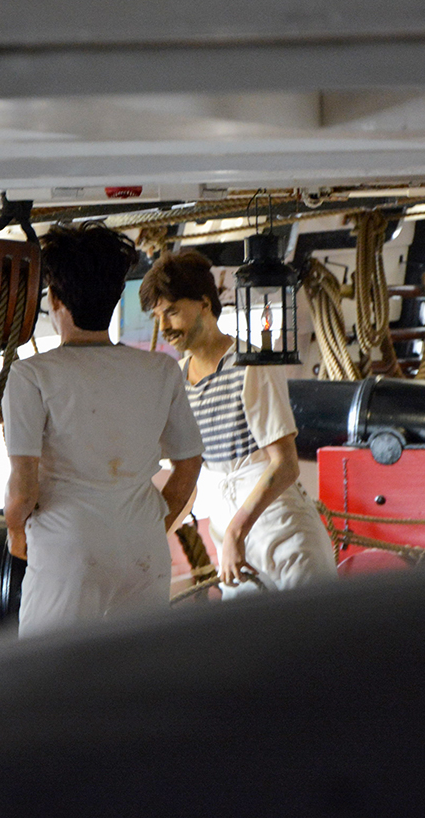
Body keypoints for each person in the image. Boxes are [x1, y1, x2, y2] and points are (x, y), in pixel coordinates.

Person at [2, 223, 204, 636]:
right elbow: (189, 465)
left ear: (54, 298)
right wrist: (153, 523)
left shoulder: (30, 375)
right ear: (115, 297)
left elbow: (22, 490)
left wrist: (15, 532)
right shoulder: (161, 369)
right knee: (134, 676)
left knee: (52, 679)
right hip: (142, 546)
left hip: (67, 548)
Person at [141, 250, 337, 597]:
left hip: (285, 536)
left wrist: (235, 533)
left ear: (204, 303)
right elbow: (185, 476)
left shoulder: (250, 365)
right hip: (232, 546)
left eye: (171, 311)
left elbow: (286, 465)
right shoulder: (177, 383)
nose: (164, 327)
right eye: (158, 317)